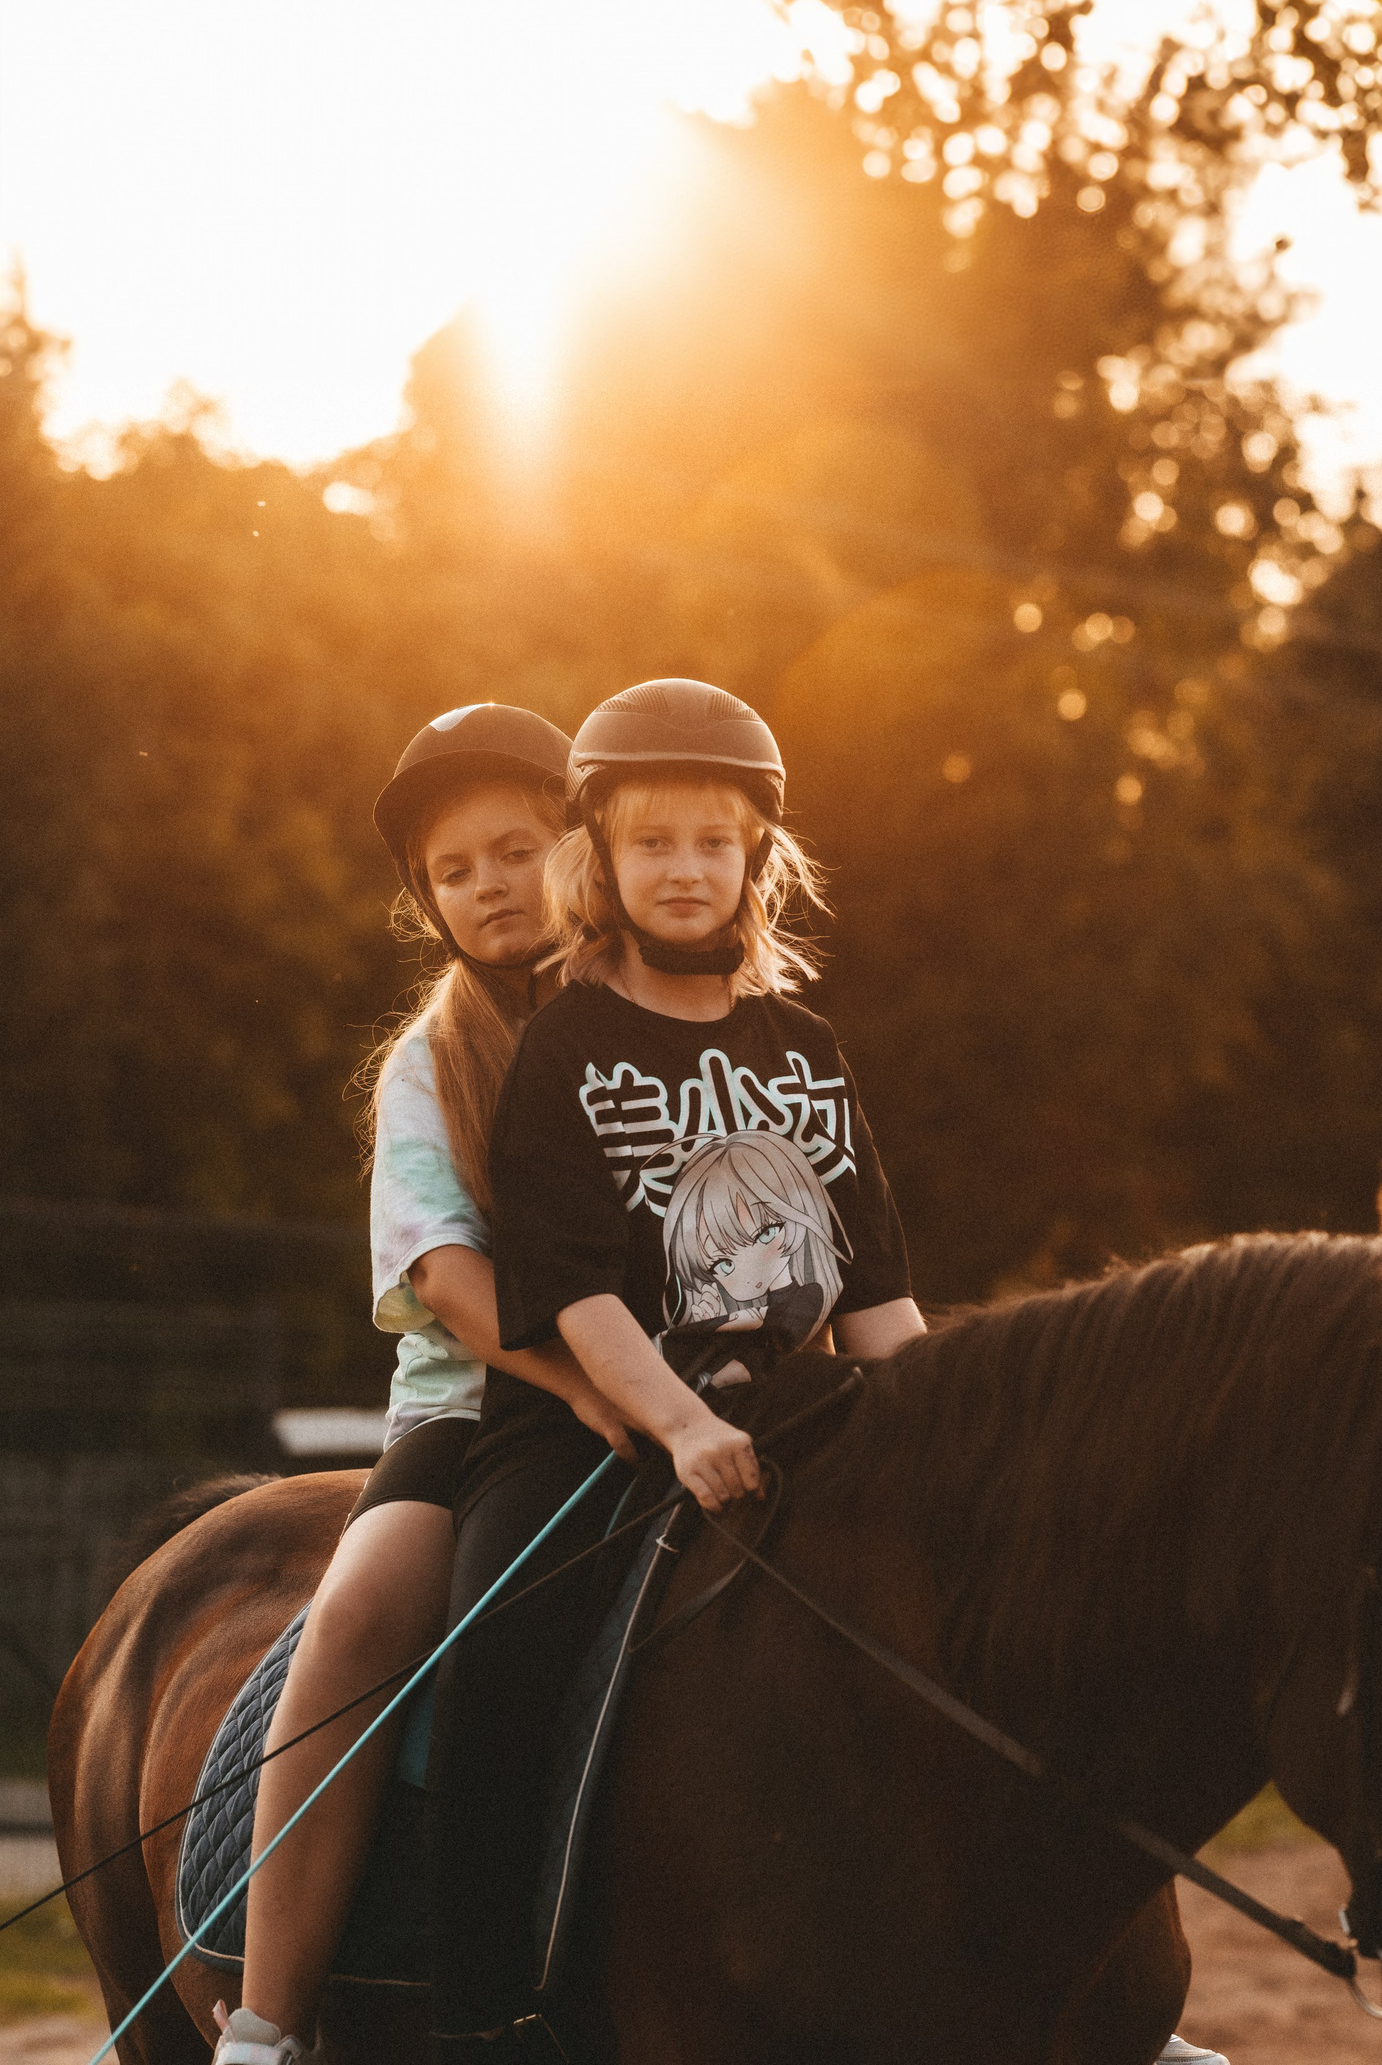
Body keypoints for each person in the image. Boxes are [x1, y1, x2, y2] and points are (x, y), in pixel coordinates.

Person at [425, 679, 926, 2058]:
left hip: (805, 1425)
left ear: (757, 855)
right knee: (495, 1655)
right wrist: (681, 1421)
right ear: (602, 859)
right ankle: (486, 2010)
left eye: (714, 841)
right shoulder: (568, 1046)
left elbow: (877, 1297)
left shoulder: (809, 1052)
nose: (686, 868)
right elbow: (573, 1286)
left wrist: (955, 1444)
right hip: (598, 1434)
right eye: (655, 842)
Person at [215, 707, 634, 2065]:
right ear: (427, 900)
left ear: (581, 846)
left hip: (679, 1385)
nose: (491, 884)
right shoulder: (427, 1065)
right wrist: (589, 1385)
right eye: (456, 870)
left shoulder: (662, 1014)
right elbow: (447, 1277)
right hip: (475, 1409)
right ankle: (270, 2018)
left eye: (517, 848)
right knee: (357, 1620)